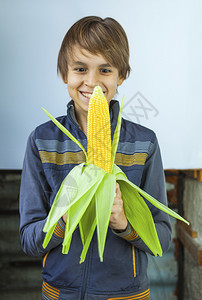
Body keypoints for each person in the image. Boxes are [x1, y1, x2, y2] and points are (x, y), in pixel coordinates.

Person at [19, 16, 172, 300]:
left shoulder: (143, 142)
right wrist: (64, 218)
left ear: (121, 76)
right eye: (80, 69)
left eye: (105, 70)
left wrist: (125, 223)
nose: (92, 82)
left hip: (126, 295)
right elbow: (28, 240)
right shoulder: (41, 141)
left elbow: (161, 237)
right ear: (65, 74)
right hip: (60, 293)